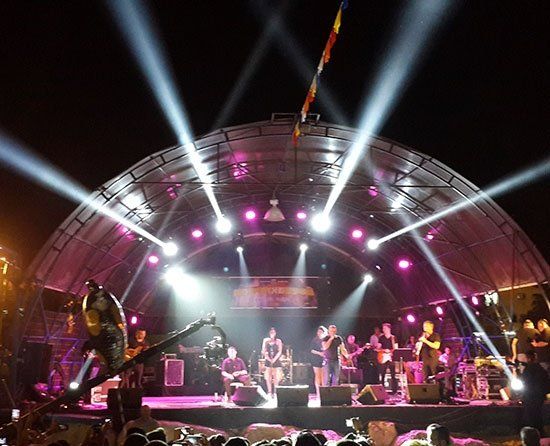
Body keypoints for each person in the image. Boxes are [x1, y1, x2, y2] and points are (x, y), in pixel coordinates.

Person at [520, 350, 550, 433]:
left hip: (530, 395)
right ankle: (540, 431)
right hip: (539, 395)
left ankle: (532, 431)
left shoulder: (528, 369)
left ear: (528, 358)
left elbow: (525, 381)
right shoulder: (540, 368)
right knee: (538, 413)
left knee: (531, 414)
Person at [261, 327, 283, 397]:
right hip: (268, 360)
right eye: (271, 332)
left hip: (276, 360)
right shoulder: (265, 340)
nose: (272, 333)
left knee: (276, 377)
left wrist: (274, 359)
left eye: (273, 332)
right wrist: (268, 359)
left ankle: (276, 392)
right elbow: (263, 351)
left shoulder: (278, 341)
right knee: (268, 377)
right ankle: (269, 392)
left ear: (275, 333)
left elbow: (280, 351)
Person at [377, 323, 398, 393]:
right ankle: (382, 390)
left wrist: (391, 351)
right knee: (382, 374)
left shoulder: (393, 338)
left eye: (385, 328)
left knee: (393, 374)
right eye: (383, 328)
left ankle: (394, 390)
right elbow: (378, 348)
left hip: (391, 357)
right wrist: (384, 350)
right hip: (383, 357)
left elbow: (396, 348)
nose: (383, 330)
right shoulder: (381, 338)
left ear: (389, 329)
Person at [310, 326, 327, 398]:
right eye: (318, 331)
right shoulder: (314, 340)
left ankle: (323, 392)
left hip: (324, 360)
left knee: (323, 376)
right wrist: (319, 353)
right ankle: (318, 392)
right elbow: (311, 350)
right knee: (317, 375)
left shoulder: (326, 340)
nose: (319, 333)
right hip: (316, 359)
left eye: (321, 332)